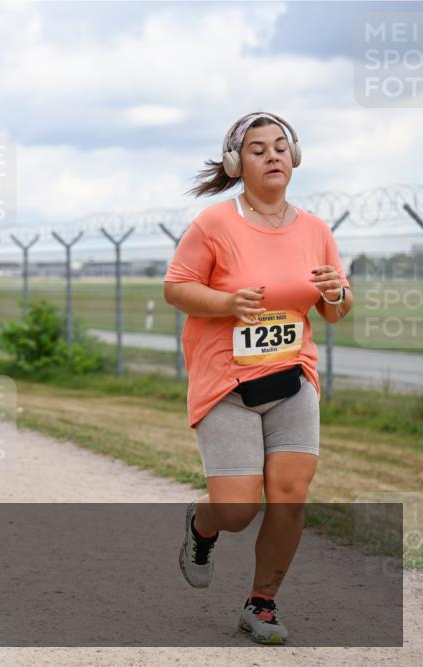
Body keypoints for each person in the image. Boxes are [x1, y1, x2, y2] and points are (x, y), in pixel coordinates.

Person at [163, 112, 353, 645]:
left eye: (279, 147)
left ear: (294, 157)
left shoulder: (316, 230)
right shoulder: (215, 225)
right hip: (227, 382)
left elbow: (335, 310)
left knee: (291, 493)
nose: (271, 156)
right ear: (236, 163)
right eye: (257, 149)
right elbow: (176, 288)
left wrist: (337, 293)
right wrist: (227, 302)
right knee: (238, 508)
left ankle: (261, 603)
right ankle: (203, 526)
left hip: (293, 376)